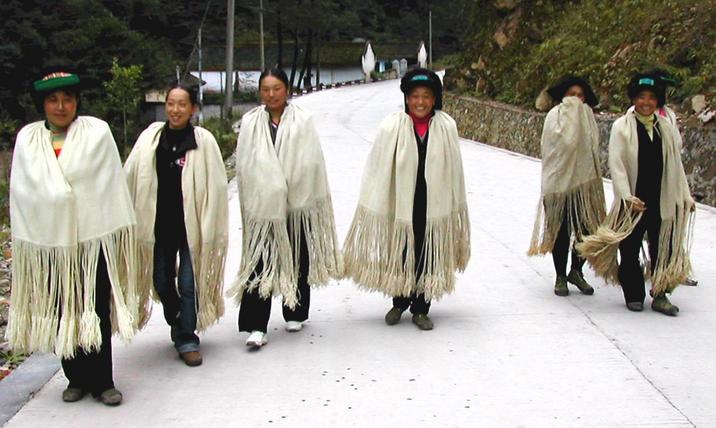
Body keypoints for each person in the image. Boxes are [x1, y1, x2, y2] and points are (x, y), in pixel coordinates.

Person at [6, 68, 140, 405]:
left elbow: (107, 185)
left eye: (68, 99)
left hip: (91, 240)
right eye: (53, 100)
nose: (61, 106)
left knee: (92, 308)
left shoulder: (96, 133)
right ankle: (75, 377)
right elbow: (23, 191)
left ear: (77, 102)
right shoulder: (29, 139)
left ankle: (103, 381)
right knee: (63, 309)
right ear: (43, 105)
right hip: (50, 243)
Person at [343, 68, 471, 330]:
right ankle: (399, 301)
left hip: (432, 203)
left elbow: (455, 170)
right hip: (401, 201)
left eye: (426, 96)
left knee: (427, 252)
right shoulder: (393, 126)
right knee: (402, 250)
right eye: (415, 96)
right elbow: (377, 167)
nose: (420, 102)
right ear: (407, 99)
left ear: (435, 99)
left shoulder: (446, 127)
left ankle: (421, 308)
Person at [228, 68, 342, 348]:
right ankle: (257, 326)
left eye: (276, 88)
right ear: (260, 93)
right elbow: (244, 165)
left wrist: (294, 185)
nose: (271, 94)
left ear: (287, 90)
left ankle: (295, 311)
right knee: (259, 264)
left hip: (297, 203)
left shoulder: (302, 120)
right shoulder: (251, 122)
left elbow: (311, 162)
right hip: (263, 206)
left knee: (297, 257)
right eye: (265, 89)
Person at [124, 84, 228, 366]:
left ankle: (187, 338)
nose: (175, 109)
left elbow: (217, 186)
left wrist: (210, 221)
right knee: (161, 282)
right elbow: (130, 174)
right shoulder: (151, 139)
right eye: (171, 103)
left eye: (182, 104)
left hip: (192, 224)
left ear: (193, 108)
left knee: (188, 284)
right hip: (158, 224)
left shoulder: (203, 141)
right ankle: (177, 318)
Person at [577, 72, 695, 315]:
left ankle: (661, 295)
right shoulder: (623, 127)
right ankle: (634, 294)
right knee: (629, 248)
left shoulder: (666, 128)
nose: (646, 102)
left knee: (664, 247)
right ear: (634, 98)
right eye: (641, 97)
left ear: (658, 101)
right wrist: (626, 196)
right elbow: (617, 164)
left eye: (652, 98)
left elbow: (676, 166)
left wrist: (685, 196)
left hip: (662, 198)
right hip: (634, 200)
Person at [528, 76, 606, 296]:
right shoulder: (554, 117)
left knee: (586, 231)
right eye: (571, 95)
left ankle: (576, 271)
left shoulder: (588, 117)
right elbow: (554, 148)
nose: (576, 99)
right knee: (561, 232)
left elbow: (592, 148)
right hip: (558, 184)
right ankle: (560, 276)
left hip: (584, 184)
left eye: (580, 96)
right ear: (563, 96)